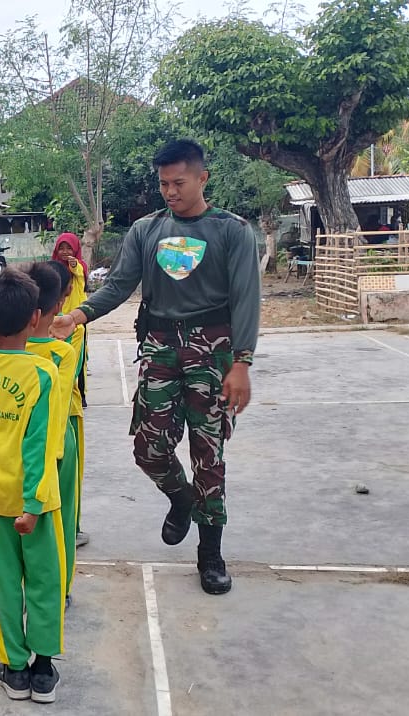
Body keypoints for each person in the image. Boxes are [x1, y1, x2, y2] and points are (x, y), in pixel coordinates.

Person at [52, 139, 260, 595]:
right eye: (164, 184)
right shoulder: (146, 231)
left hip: (213, 353)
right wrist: (76, 316)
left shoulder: (232, 231)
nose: (170, 191)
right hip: (160, 348)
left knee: (210, 457)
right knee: (148, 449)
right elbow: (120, 286)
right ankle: (181, 498)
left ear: (203, 178)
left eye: (179, 183)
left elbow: (247, 299)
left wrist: (242, 362)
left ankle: (210, 554)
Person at [0, 271, 65, 704]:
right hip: (37, 501)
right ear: (35, 318)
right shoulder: (44, 374)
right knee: (45, 579)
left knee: (6, 582)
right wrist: (32, 504)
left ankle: (14, 667)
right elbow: (41, 446)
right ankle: (43, 669)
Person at [22, 263, 83, 604]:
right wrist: (56, 452)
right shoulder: (62, 351)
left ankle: (32, 582)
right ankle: (61, 587)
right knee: (61, 517)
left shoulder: (5, 348)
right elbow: (58, 408)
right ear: (59, 304)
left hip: (20, 443)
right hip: (58, 443)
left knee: (27, 516)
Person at [47, 261, 91, 551]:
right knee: (69, 478)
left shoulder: (25, 326)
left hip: (30, 411)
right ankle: (70, 529)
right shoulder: (72, 329)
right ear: (65, 294)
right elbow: (72, 371)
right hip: (67, 412)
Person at [53, 233, 89, 409]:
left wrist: (72, 263)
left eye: (69, 248)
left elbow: (78, 269)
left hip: (78, 318)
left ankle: (80, 393)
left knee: (79, 358)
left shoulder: (79, 266)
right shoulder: (53, 268)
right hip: (57, 318)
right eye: (62, 248)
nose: (65, 251)